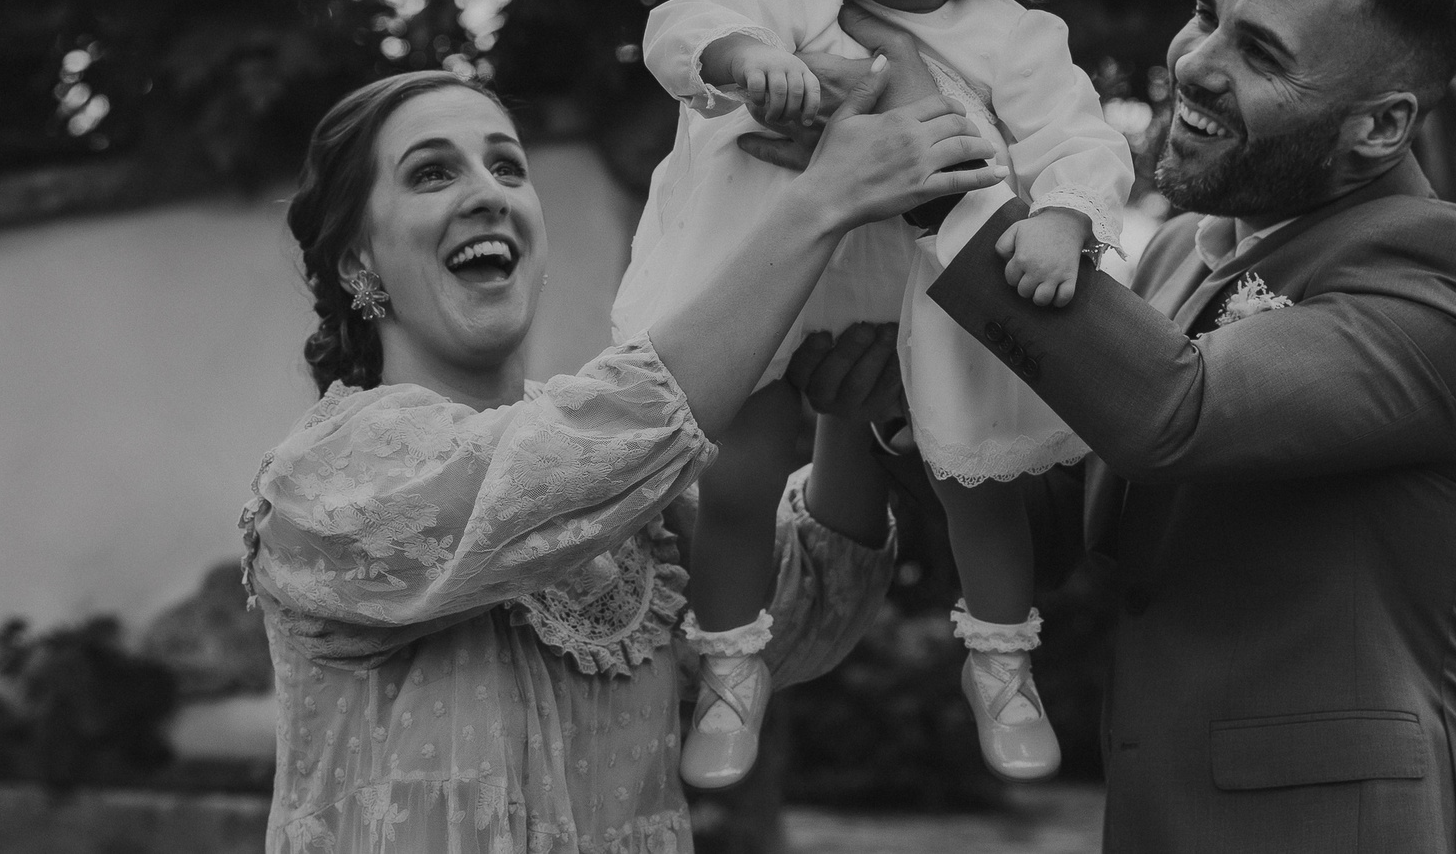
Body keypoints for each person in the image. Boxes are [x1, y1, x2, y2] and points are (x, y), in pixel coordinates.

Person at [798, 0, 1456, 854]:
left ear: (1380, 128)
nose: (1195, 64)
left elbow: (1173, 411)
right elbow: (1066, 521)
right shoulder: (1180, 251)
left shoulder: (1437, 276)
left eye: (1261, 53)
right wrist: (908, 399)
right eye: (1206, 15)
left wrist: (946, 196)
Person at [239, 64, 998, 854]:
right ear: (359, 261)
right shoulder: (325, 477)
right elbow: (570, 454)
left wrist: (851, 394)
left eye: (507, 166)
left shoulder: (627, 491)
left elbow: (798, 615)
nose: (488, 191)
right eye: (431, 172)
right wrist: (815, 204)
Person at [609, 0, 1133, 790]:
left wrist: (1065, 219)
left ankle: (1000, 659)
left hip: (915, 295)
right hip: (769, 270)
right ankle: (728, 672)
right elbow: (680, 23)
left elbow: (1084, 143)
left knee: (969, 469)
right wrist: (738, 59)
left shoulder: (1016, 37)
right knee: (738, 473)